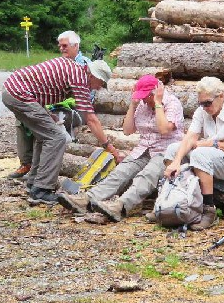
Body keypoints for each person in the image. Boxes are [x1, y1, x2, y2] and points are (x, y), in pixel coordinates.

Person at [59, 74, 184, 221]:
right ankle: (87, 199)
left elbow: (164, 129)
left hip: (166, 151)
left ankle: (120, 206)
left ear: (155, 92)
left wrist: (157, 103)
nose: (143, 99)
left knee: (147, 176)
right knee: (120, 172)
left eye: (146, 96)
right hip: (144, 149)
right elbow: (127, 130)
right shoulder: (142, 104)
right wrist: (133, 105)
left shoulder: (172, 103)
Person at [2, 55, 113, 204]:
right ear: (93, 75)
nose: (99, 87)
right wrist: (108, 146)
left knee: (45, 136)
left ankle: (34, 183)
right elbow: (91, 119)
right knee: (56, 138)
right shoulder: (80, 78)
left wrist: (47, 115)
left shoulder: (76, 70)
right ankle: (42, 190)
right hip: (18, 94)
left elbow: (39, 88)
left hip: (14, 91)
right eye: (100, 83)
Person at [162, 76, 224, 230]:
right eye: (201, 103)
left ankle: (208, 209)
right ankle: (172, 200)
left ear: (221, 96)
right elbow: (190, 137)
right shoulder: (202, 112)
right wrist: (177, 161)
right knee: (173, 149)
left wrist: (213, 144)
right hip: (213, 157)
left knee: (200, 154)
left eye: (208, 103)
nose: (204, 107)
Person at [7, 30, 90, 180]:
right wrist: (47, 110)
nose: (61, 49)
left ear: (75, 45)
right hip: (30, 98)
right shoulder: (63, 62)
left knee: (48, 134)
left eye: (64, 46)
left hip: (71, 109)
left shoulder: (84, 65)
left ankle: (35, 179)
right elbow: (40, 89)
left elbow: (86, 103)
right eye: (60, 46)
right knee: (54, 136)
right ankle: (39, 182)